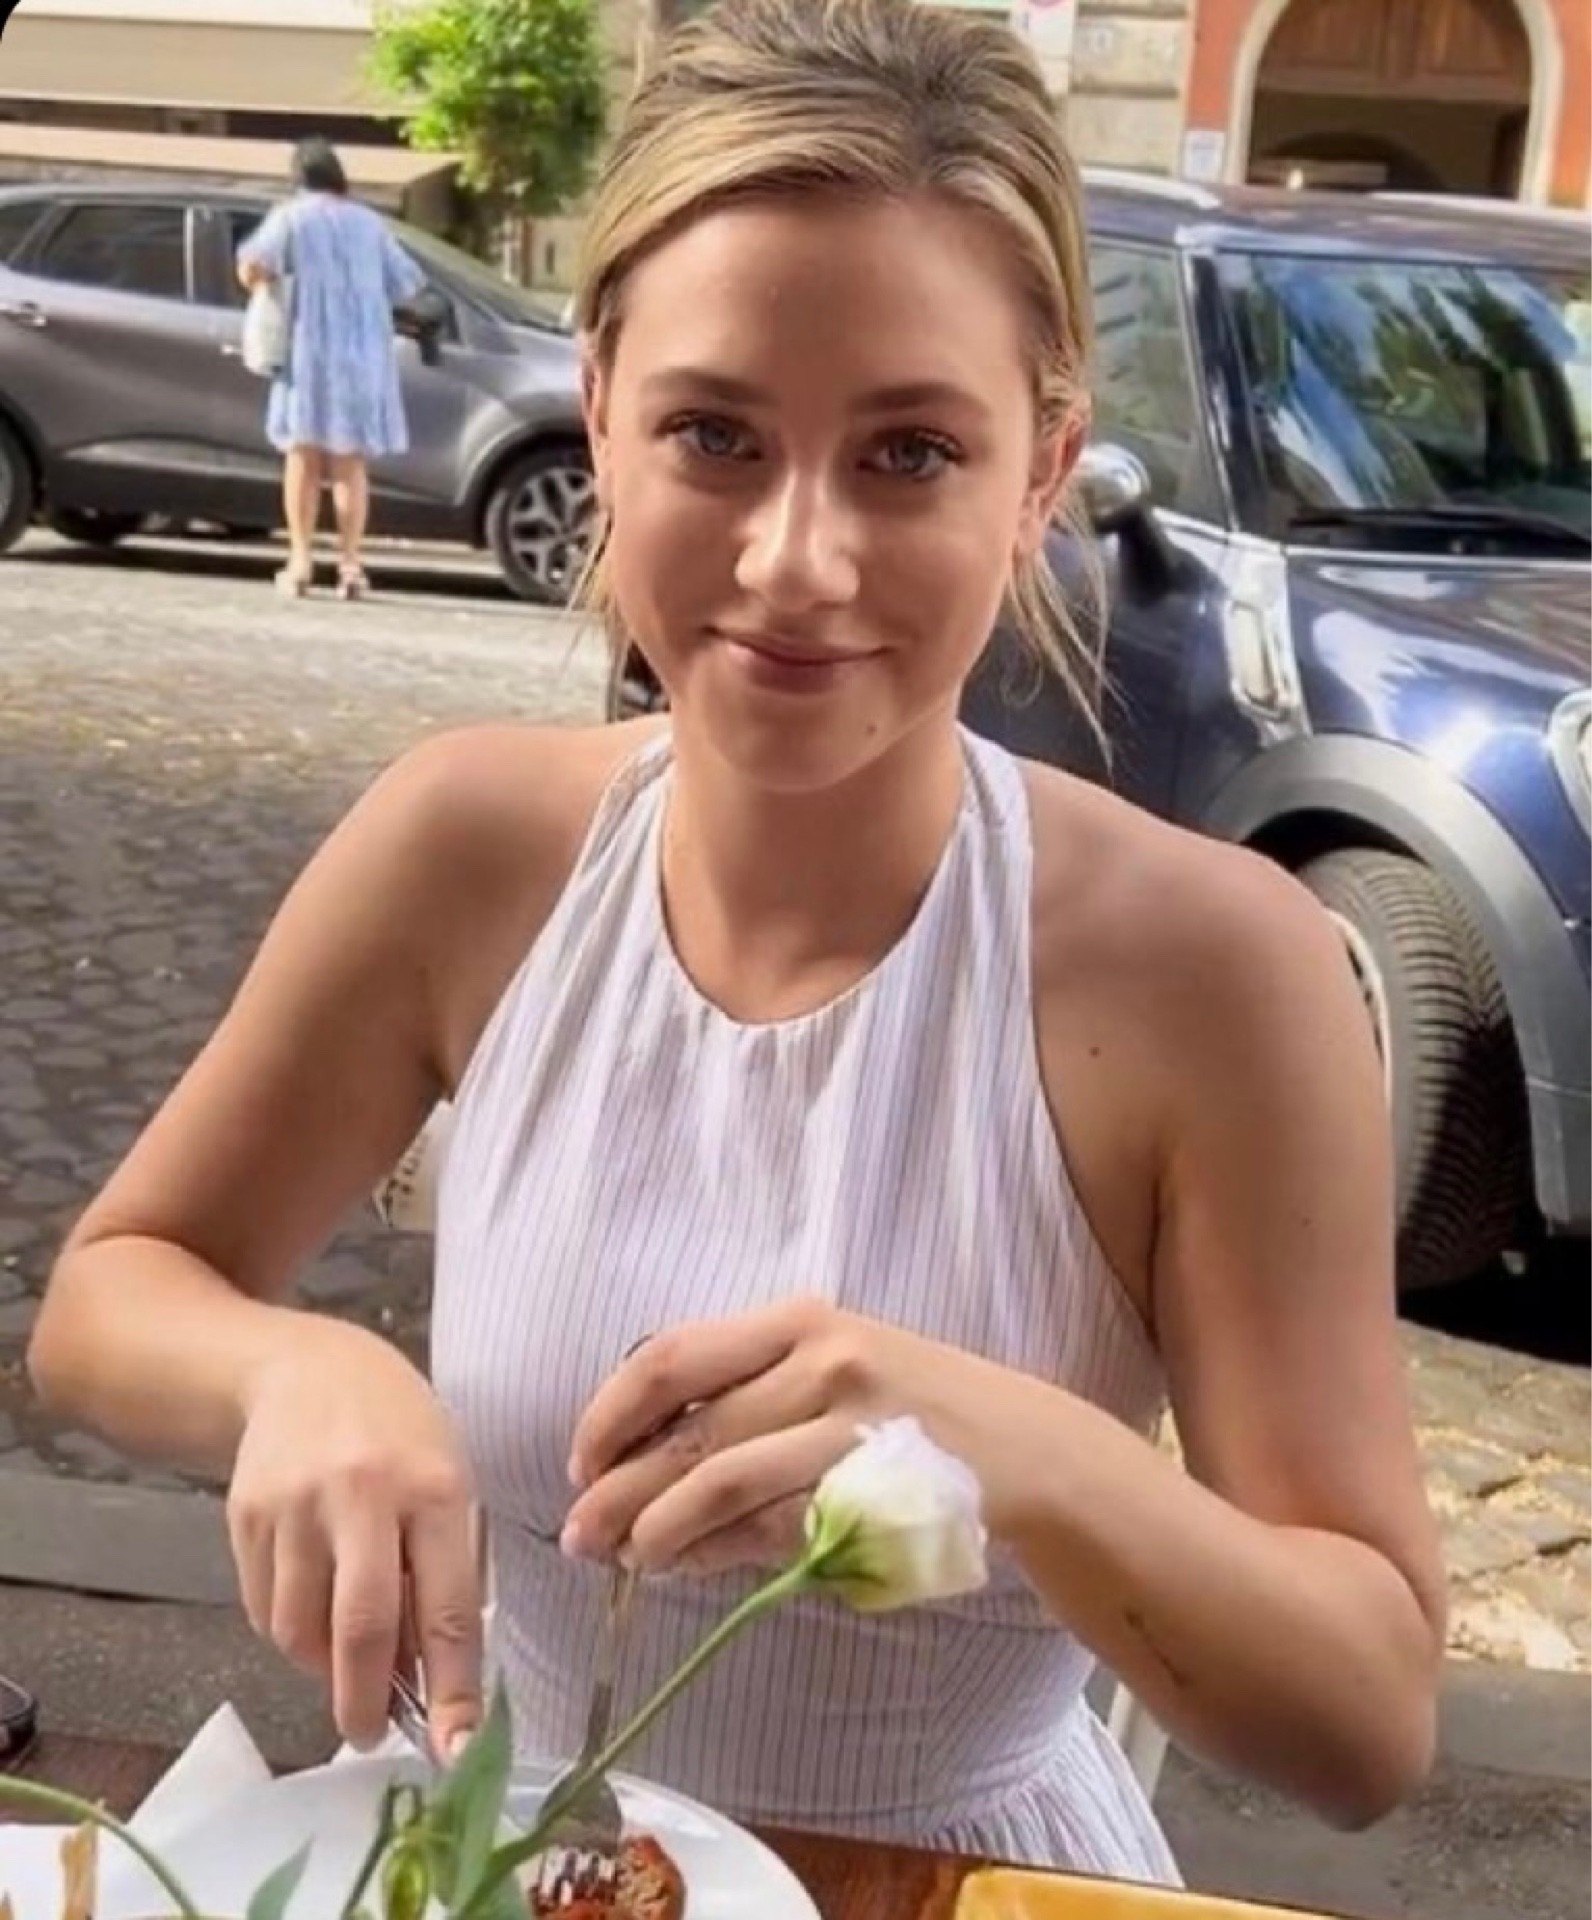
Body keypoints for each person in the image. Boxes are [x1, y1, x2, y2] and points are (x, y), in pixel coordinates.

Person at [29, 0, 1446, 1882]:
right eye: (714, 433)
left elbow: (1365, 1721)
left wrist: (1010, 1447)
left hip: (951, 1885)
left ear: (1041, 472)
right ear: (601, 410)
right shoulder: (469, 846)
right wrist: (289, 1370)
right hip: (517, 1862)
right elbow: (114, 1294)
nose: (797, 561)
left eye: (909, 453)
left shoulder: (1211, 970)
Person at [236, 137, 424, 600]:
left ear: (299, 176)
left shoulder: (290, 218)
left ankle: (301, 560)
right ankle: (351, 564)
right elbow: (407, 282)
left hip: (308, 353)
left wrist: (269, 283)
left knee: (302, 457)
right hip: (363, 359)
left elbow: (253, 266)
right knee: (349, 466)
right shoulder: (369, 223)